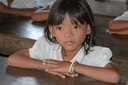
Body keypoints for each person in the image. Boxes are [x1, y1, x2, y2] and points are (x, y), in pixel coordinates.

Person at [7, 0, 120, 83]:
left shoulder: (95, 54)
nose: (68, 34)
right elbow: (13, 59)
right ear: (52, 31)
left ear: (88, 28)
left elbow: (114, 77)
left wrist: (71, 66)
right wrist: (45, 66)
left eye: (76, 27)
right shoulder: (48, 46)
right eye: (60, 28)